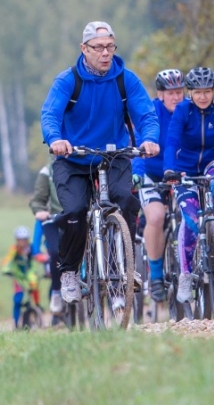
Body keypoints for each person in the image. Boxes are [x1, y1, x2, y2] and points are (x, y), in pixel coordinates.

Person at [40, 21, 160, 305]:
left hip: (113, 155)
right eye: (98, 47)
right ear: (84, 49)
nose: (105, 53)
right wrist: (55, 139)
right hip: (73, 157)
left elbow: (146, 115)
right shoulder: (68, 81)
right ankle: (69, 271)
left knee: (124, 200)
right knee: (75, 211)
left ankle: (125, 266)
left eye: (110, 46)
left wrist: (150, 139)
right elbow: (50, 115)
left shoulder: (125, 79)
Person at [163, 66, 214, 302]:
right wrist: (169, 169)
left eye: (207, 91)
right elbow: (171, 141)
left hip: (213, 161)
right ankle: (186, 275)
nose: (202, 96)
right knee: (190, 219)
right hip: (184, 167)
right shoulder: (182, 110)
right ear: (190, 93)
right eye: (198, 92)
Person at [130, 69, 184, 302]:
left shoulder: (189, 110)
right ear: (160, 95)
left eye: (179, 92)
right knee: (156, 217)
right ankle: (156, 275)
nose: (176, 97)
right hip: (151, 173)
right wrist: (137, 174)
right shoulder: (150, 112)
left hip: (181, 173)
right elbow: (139, 145)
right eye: (171, 93)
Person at [30, 164, 63, 315]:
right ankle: (56, 293)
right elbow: (38, 200)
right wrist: (40, 211)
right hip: (54, 221)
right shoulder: (47, 172)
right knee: (55, 255)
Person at [2, 226, 39, 326]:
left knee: (34, 285)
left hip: (29, 275)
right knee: (17, 300)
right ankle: (16, 322)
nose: (22, 242)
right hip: (18, 277)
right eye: (20, 240)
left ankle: (37, 306)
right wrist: (6, 270)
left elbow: (38, 256)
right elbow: (7, 260)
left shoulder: (31, 248)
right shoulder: (14, 249)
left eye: (24, 239)